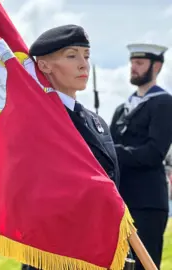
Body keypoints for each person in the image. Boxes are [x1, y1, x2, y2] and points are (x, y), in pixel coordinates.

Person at [21, 24, 121, 270]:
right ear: (44, 65)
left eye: (86, 56)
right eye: (71, 55)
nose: (83, 64)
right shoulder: (36, 123)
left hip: (98, 245)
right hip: (56, 251)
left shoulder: (96, 122)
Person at [110, 43, 172, 270]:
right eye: (132, 63)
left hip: (147, 202)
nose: (133, 68)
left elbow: (154, 152)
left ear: (156, 66)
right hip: (120, 201)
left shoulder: (164, 103)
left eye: (139, 63)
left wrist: (114, 151)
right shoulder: (120, 108)